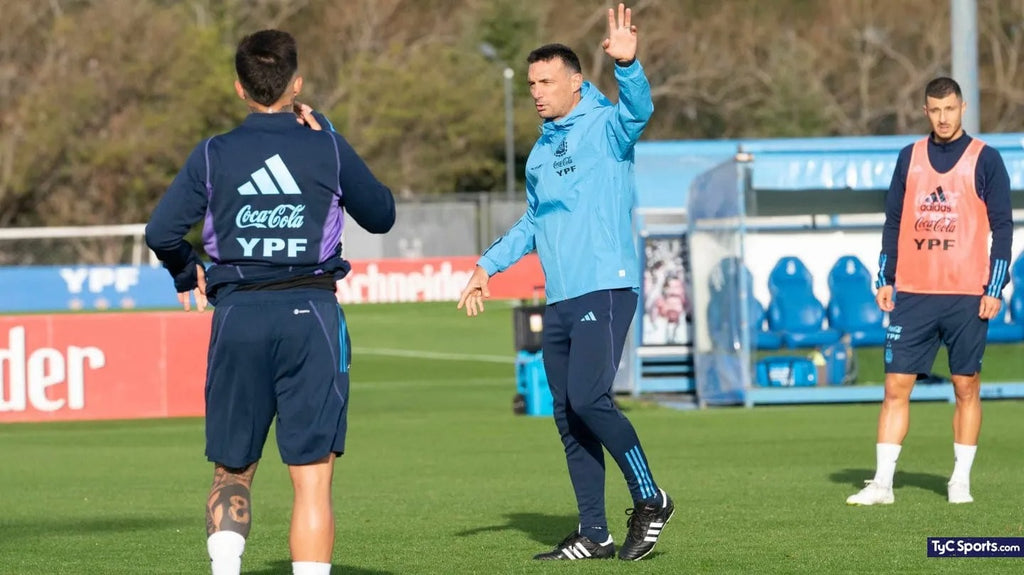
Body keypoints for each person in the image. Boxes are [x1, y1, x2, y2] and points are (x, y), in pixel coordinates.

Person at [145, 30, 395, 575]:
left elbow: (161, 231)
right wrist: (328, 131)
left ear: (240, 88)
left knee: (232, 469)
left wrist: (188, 273)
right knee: (312, 478)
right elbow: (381, 214)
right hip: (312, 318)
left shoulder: (214, 153)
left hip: (238, 316)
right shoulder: (325, 144)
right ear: (297, 84)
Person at [457, 3, 673, 561]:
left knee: (590, 397)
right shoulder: (540, 151)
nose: (536, 90)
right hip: (560, 296)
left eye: (546, 81)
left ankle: (651, 499)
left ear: (576, 82)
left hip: (605, 285)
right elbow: (533, 222)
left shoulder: (605, 126)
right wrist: (487, 267)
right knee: (567, 412)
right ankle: (594, 532)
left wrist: (628, 66)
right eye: (531, 82)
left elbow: (639, 111)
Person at [846, 76, 1011, 506]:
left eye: (950, 109)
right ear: (925, 111)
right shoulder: (910, 157)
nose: (943, 117)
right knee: (895, 387)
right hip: (914, 295)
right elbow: (893, 222)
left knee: (965, 387)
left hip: (966, 295)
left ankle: (959, 481)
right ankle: (882, 485)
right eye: (935, 110)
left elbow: (1003, 227)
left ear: (962, 107)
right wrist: (885, 277)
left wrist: (994, 287)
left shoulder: (986, 159)